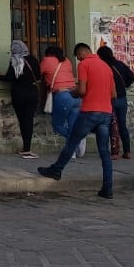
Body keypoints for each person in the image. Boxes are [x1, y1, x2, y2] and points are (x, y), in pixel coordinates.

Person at [38, 43, 116, 198]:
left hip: (89, 111)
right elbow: (113, 94)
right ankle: (108, 188)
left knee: (72, 142)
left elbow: (81, 90)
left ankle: (57, 170)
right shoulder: (106, 67)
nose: (78, 59)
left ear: (81, 54)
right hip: (106, 113)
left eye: (77, 57)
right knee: (104, 152)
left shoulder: (84, 64)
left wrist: (74, 94)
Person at [96, 45, 134, 159]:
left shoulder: (103, 66)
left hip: (109, 98)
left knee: (112, 125)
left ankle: (114, 152)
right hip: (122, 98)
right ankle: (127, 151)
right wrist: (124, 86)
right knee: (122, 125)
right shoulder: (120, 64)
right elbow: (132, 77)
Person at [41, 45, 81, 157]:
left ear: (48, 53)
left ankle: (77, 139)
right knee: (72, 125)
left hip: (62, 95)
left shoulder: (47, 60)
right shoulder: (67, 60)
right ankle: (72, 151)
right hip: (75, 95)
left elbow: (39, 73)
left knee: (57, 125)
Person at [6, 39, 42, 158]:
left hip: (19, 94)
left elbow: (10, 77)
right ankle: (27, 147)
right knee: (29, 120)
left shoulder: (15, 61)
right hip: (32, 93)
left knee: (23, 121)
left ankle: (25, 148)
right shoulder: (33, 60)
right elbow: (38, 76)